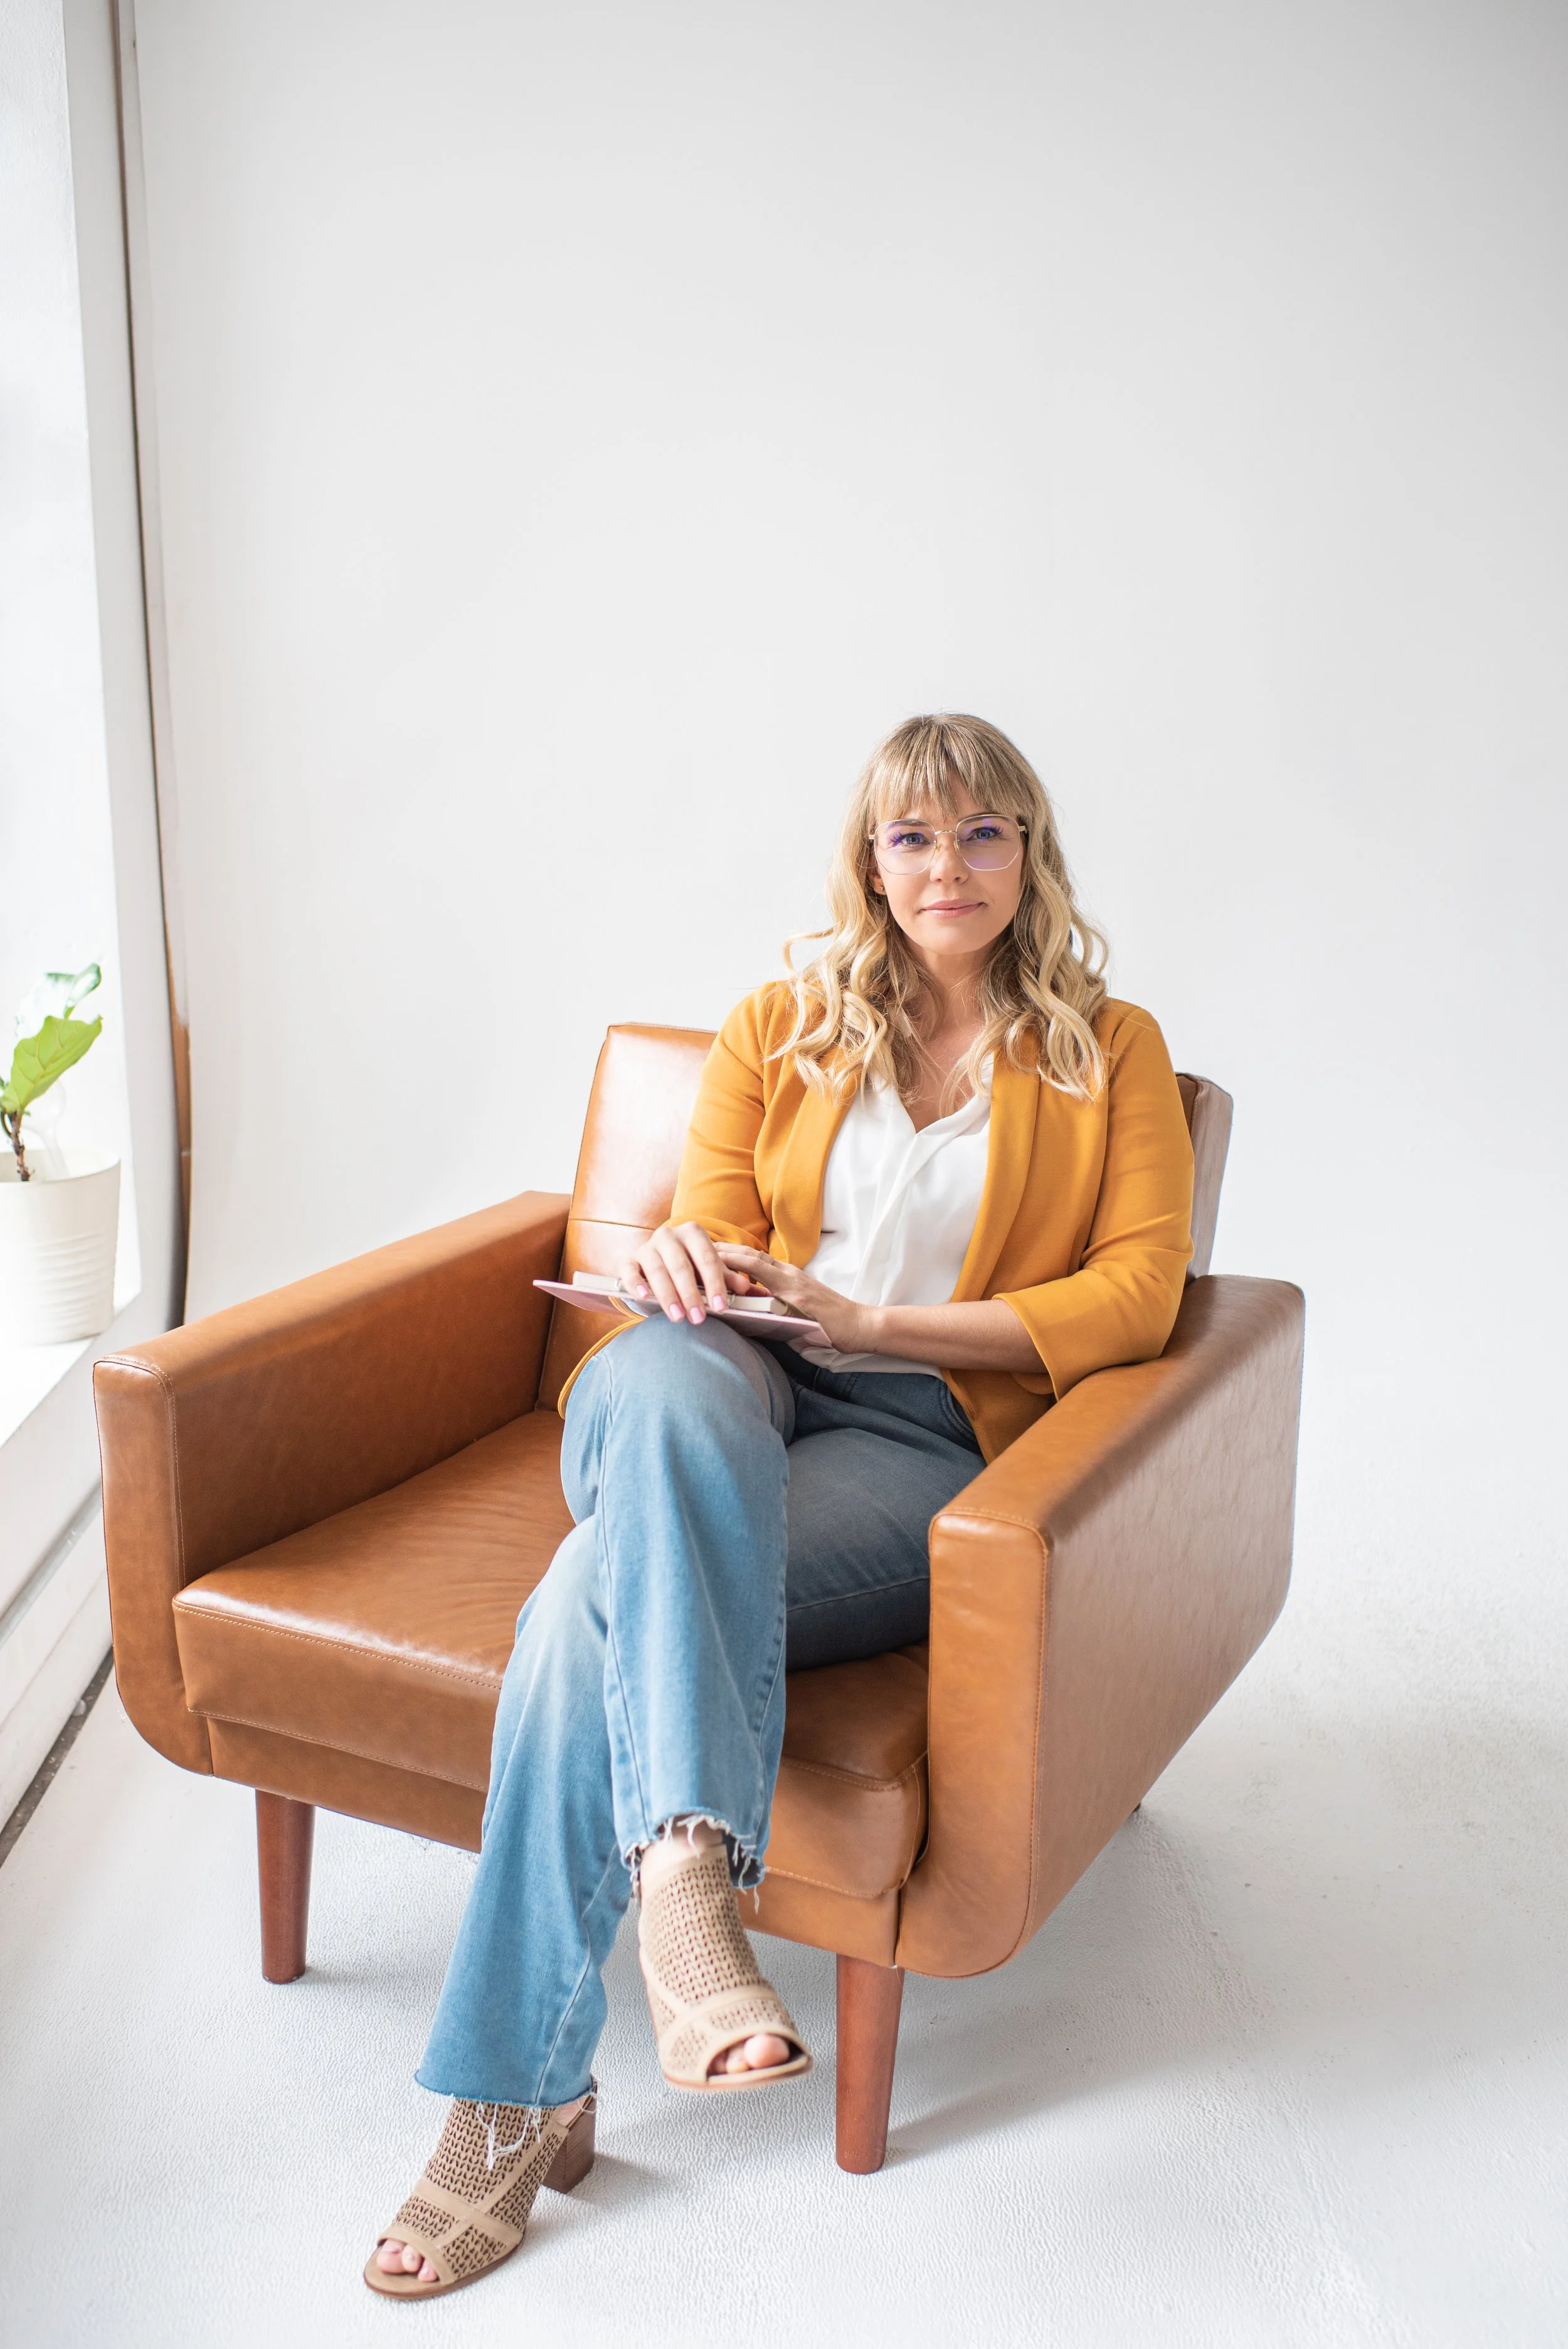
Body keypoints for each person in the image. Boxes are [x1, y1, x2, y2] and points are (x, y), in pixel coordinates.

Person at [366, 713, 1195, 2299]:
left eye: (979, 834)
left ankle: (511, 2098)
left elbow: (1139, 1294)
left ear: (1028, 854)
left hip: (917, 1428)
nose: (943, 867)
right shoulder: (777, 1023)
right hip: (718, 1385)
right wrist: (682, 1261)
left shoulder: (1108, 1046)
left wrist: (874, 1326)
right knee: (667, 1378)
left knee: (582, 1610)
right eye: (908, 837)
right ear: (865, 860)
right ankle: (685, 1888)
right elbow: (712, 1227)